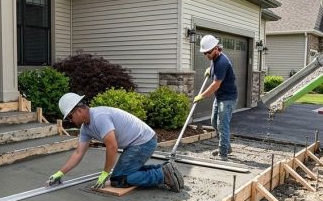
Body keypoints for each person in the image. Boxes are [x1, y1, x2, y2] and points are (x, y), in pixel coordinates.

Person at [48, 93, 184, 192]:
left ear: (79, 110)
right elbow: (78, 153)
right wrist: (60, 173)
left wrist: (105, 173)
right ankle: (165, 169)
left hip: (144, 142)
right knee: (121, 175)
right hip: (136, 144)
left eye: (70, 116)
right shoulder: (85, 129)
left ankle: (161, 175)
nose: (71, 120)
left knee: (119, 180)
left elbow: (112, 147)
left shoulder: (99, 117)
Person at [193, 35, 237, 161]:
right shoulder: (215, 58)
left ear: (216, 48)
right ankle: (226, 147)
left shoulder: (222, 62)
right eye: (205, 53)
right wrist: (210, 69)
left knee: (222, 125)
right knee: (214, 122)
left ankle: (223, 154)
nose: (207, 55)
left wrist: (202, 96)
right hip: (220, 97)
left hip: (228, 98)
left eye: (208, 52)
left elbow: (215, 85)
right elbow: (214, 65)